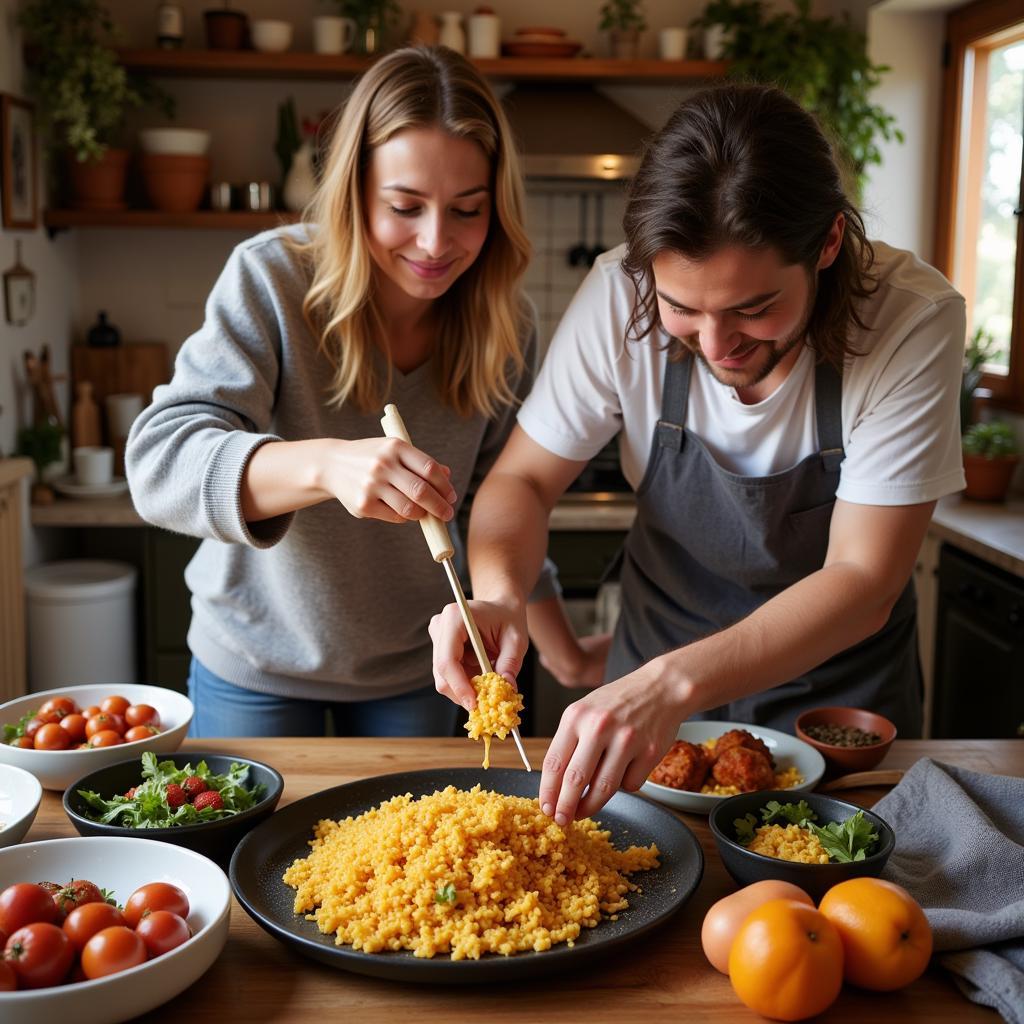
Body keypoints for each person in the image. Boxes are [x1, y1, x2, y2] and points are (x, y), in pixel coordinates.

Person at [430, 83, 966, 823]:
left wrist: (670, 686)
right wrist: (497, 594)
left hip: (836, 707)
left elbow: (865, 578)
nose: (717, 347)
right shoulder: (619, 294)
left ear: (830, 243)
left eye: (754, 308)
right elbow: (520, 479)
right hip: (652, 700)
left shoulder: (910, 318)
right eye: (682, 310)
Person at [126, 46, 560, 738]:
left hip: (418, 673)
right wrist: (328, 465)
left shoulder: (511, 328)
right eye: (405, 206)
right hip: (255, 663)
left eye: (467, 210)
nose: (435, 241)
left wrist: (555, 642)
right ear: (355, 190)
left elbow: (505, 497)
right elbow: (158, 466)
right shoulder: (271, 278)